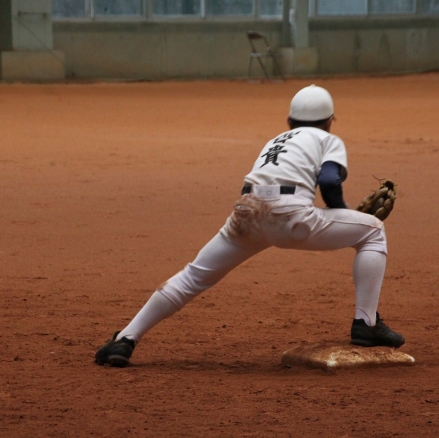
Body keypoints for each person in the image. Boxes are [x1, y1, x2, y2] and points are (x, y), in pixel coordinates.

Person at [95, 85, 404, 368]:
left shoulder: (275, 141)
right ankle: (366, 324)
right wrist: (344, 214)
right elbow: (329, 181)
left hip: (246, 212)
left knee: (194, 276)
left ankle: (125, 339)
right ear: (329, 121)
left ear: (290, 121)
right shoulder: (327, 138)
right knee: (373, 230)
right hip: (289, 215)